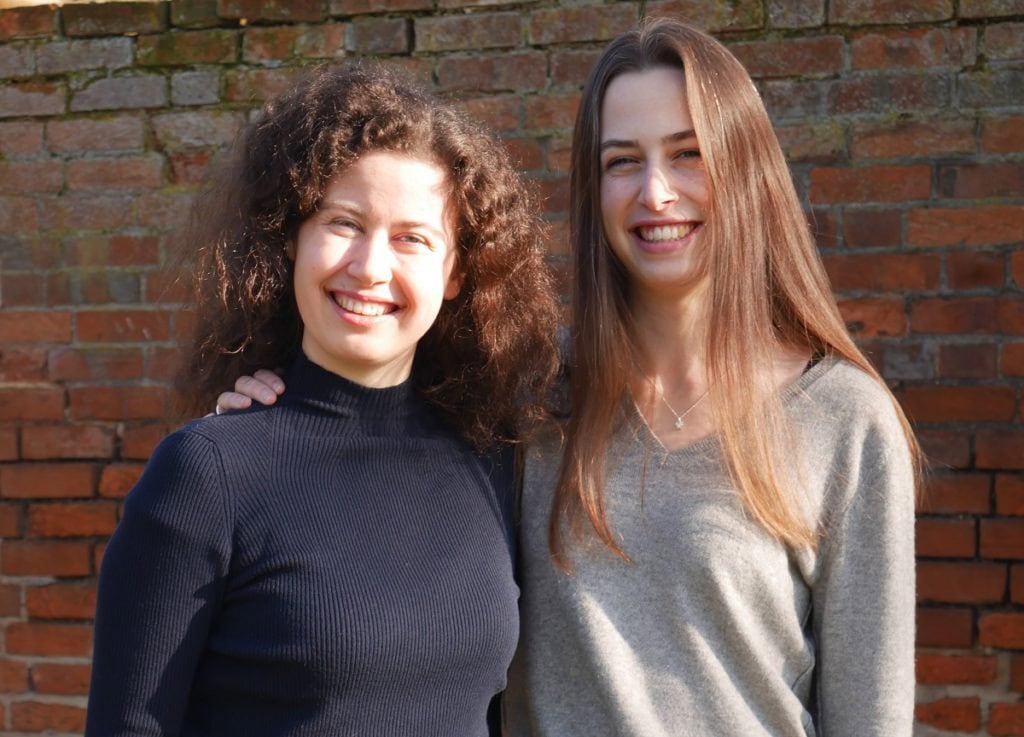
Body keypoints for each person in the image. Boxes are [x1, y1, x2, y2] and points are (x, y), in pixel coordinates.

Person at [224, 19, 920, 737]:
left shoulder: (843, 420)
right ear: (594, 185)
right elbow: (370, 448)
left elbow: (872, 719)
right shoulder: (523, 394)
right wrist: (280, 425)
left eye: (688, 155)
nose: (655, 191)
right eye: (623, 161)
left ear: (745, 170)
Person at [85, 64, 558, 737]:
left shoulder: (490, 460)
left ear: (455, 273)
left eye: (411, 238)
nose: (370, 266)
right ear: (292, 239)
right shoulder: (207, 474)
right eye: (344, 222)